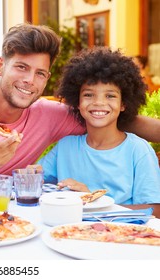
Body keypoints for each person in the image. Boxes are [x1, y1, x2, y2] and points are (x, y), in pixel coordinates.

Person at [0, 23, 160, 187]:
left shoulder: (50, 116)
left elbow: (111, 117)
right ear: (0, 65)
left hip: (15, 220)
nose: (30, 80)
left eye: (40, 73)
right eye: (21, 67)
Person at [38, 47, 160, 205]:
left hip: (124, 229)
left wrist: (93, 201)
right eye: (88, 95)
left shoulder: (138, 150)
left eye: (110, 96)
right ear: (77, 102)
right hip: (68, 228)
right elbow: (30, 178)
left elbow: (154, 209)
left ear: (123, 104)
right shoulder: (65, 147)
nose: (99, 103)